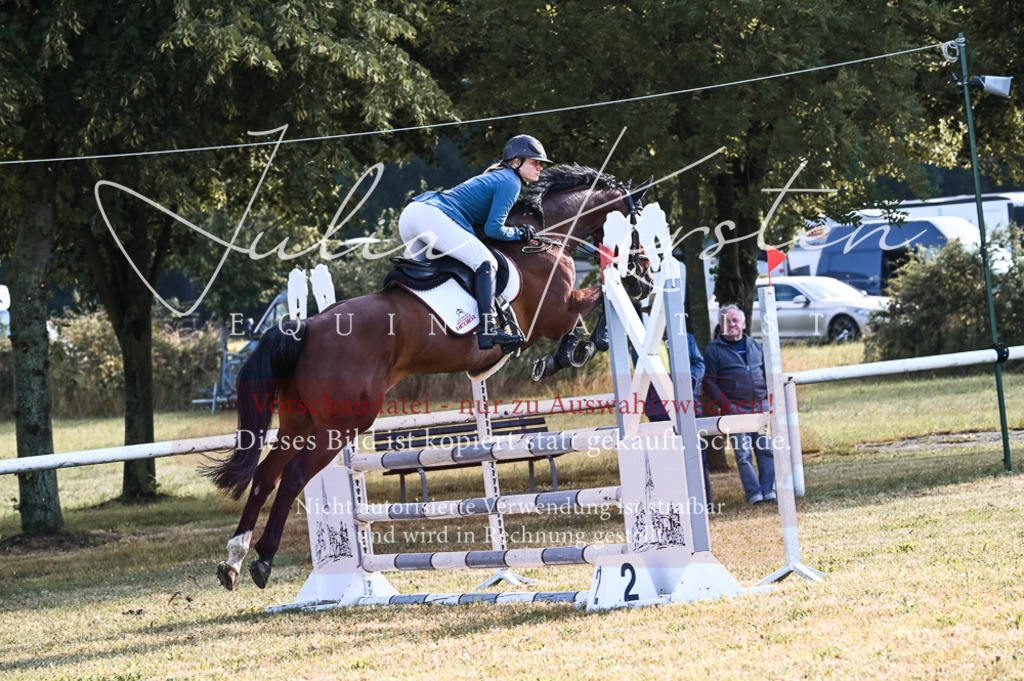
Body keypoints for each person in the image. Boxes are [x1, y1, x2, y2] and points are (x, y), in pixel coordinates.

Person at [398, 134, 550, 354]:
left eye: (541, 164)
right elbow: (493, 229)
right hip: (431, 216)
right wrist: (520, 234)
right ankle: (487, 329)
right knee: (486, 262)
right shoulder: (510, 181)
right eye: (535, 162)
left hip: (411, 216)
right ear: (516, 162)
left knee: (436, 280)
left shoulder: (500, 177)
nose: (540, 168)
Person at [701, 304, 776, 506]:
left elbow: (768, 373)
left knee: (766, 450)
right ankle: (755, 495)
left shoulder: (755, 345)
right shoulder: (713, 351)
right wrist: (727, 405)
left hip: (759, 407)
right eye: (726, 321)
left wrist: (769, 399)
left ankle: (769, 490)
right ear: (721, 325)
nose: (731, 324)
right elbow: (709, 382)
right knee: (743, 455)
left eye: (735, 320)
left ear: (743, 323)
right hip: (734, 410)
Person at [638, 331, 714, 505]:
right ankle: (673, 504)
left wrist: (688, 382)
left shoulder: (687, 337)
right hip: (660, 407)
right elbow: (647, 369)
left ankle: (706, 502)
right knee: (668, 459)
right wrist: (678, 383)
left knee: (698, 456)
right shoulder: (645, 340)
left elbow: (698, 364)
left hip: (689, 404)